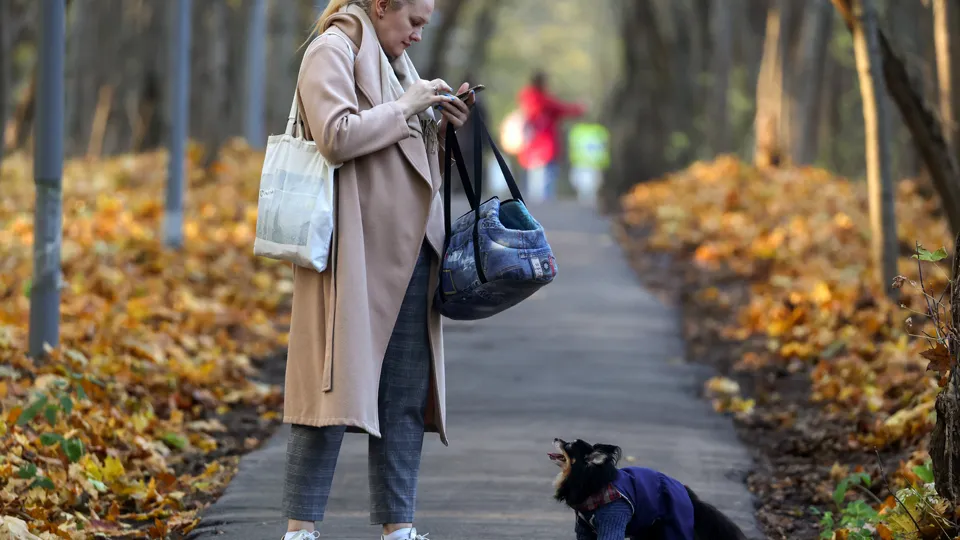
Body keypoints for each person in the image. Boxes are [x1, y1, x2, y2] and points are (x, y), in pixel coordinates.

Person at [279, 1, 474, 539]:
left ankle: (398, 528)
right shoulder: (331, 50)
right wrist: (408, 107)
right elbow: (336, 136)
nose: (417, 35)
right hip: (353, 253)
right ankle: (300, 531)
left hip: (412, 251)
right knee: (330, 393)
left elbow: (403, 159)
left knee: (405, 397)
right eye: (413, 21)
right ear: (381, 5)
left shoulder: (396, 67)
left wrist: (438, 122)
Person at [516, 70, 585, 203]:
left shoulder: (526, 98)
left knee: (532, 183)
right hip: (546, 146)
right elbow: (564, 109)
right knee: (546, 185)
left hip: (530, 148)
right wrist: (580, 108)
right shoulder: (544, 100)